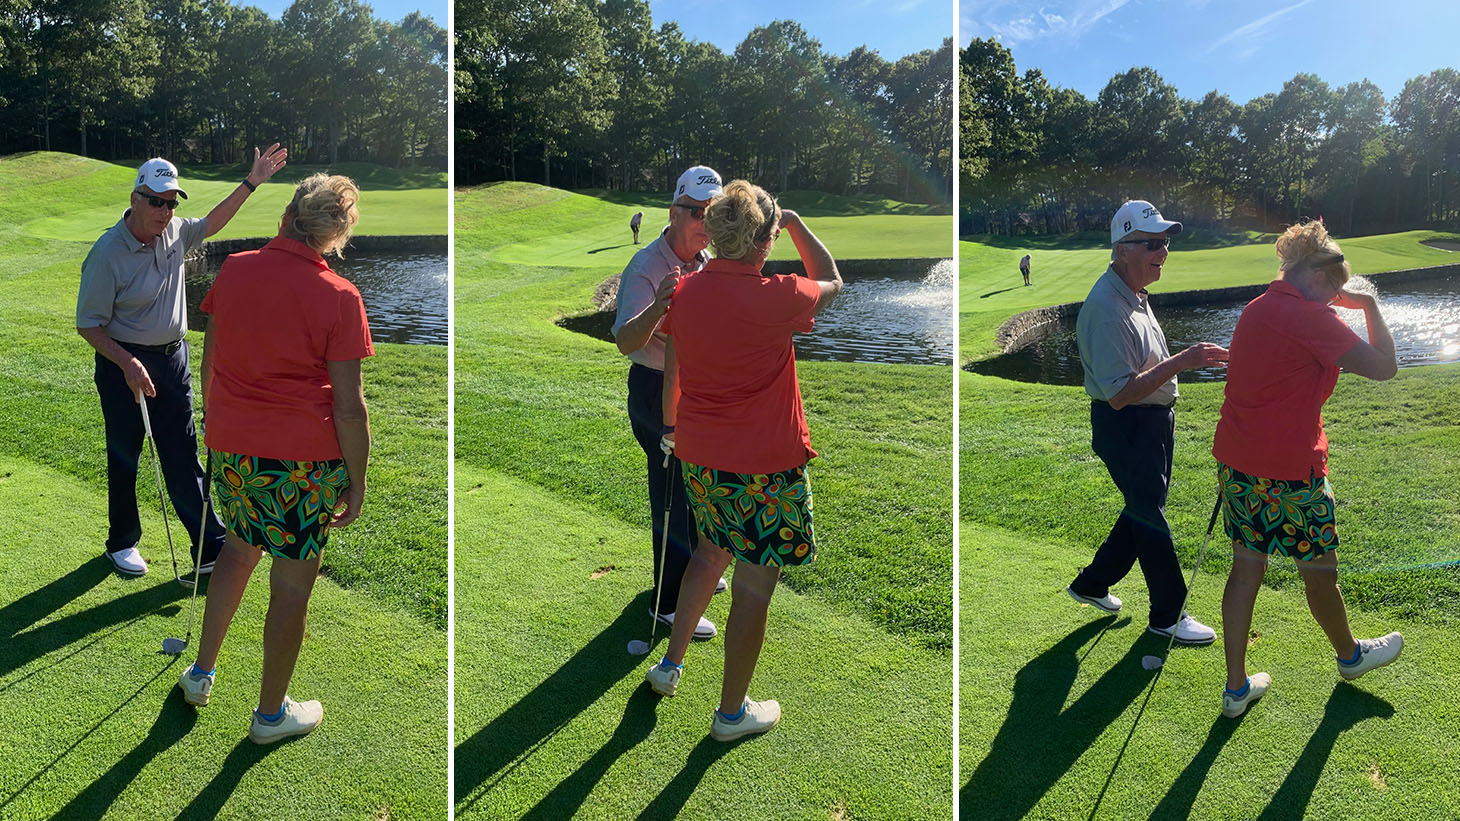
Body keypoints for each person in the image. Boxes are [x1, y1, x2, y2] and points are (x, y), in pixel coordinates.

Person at [176, 174, 373, 745]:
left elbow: (211, 363)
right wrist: (357, 482)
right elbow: (350, 409)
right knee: (291, 587)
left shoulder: (235, 270)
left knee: (238, 553)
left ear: (288, 214)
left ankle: (201, 673)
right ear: (336, 235)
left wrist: (218, 431)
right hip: (302, 465)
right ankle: (269, 717)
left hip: (235, 449)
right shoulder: (340, 295)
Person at [645, 179, 843, 742]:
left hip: (701, 456)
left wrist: (670, 428)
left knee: (710, 552)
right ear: (766, 239)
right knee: (754, 587)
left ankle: (670, 666)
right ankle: (731, 715)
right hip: (767, 468)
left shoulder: (684, 291)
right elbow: (833, 281)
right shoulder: (778, 294)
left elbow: (675, 375)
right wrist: (800, 227)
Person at [1213, 220, 1403, 718]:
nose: (1336, 299)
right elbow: (1387, 366)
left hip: (1238, 465)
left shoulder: (1257, 308)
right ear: (1318, 279)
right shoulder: (1310, 317)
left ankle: (1236, 689)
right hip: (1293, 472)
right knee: (1319, 574)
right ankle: (1351, 657)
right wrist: (1370, 306)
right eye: (1336, 290)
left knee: (1246, 568)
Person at [77, 148, 288, 578]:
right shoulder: (107, 253)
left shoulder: (174, 233)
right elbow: (89, 325)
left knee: (183, 453)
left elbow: (213, 222)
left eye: (172, 202)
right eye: (156, 201)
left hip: (173, 362)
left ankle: (209, 547)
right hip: (123, 366)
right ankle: (121, 543)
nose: (164, 211)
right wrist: (127, 362)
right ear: (136, 198)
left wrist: (252, 182)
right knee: (126, 455)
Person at [1067, 199, 1228, 646]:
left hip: (1150, 422)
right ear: (1122, 248)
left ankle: (1091, 584)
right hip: (1128, 424)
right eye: (1152, 244)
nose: (1163, 252)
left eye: (1165, 244)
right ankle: (1167, 614)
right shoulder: (1106, 308)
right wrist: (1186, 360)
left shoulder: (1133, 293)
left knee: (1142, 510)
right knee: (1149, 515)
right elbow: (1119, 394)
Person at [611, 166, 726, 643]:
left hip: (695, 389)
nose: (705, 222)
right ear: (675, 211)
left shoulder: (706, 260)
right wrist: (660, 305)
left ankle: (692, 572)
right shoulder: (645, 265)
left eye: (713, 214)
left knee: (694, 486)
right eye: (697, 212)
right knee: (672, 493)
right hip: (655, 388)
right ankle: (668, 603)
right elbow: (624, 339)